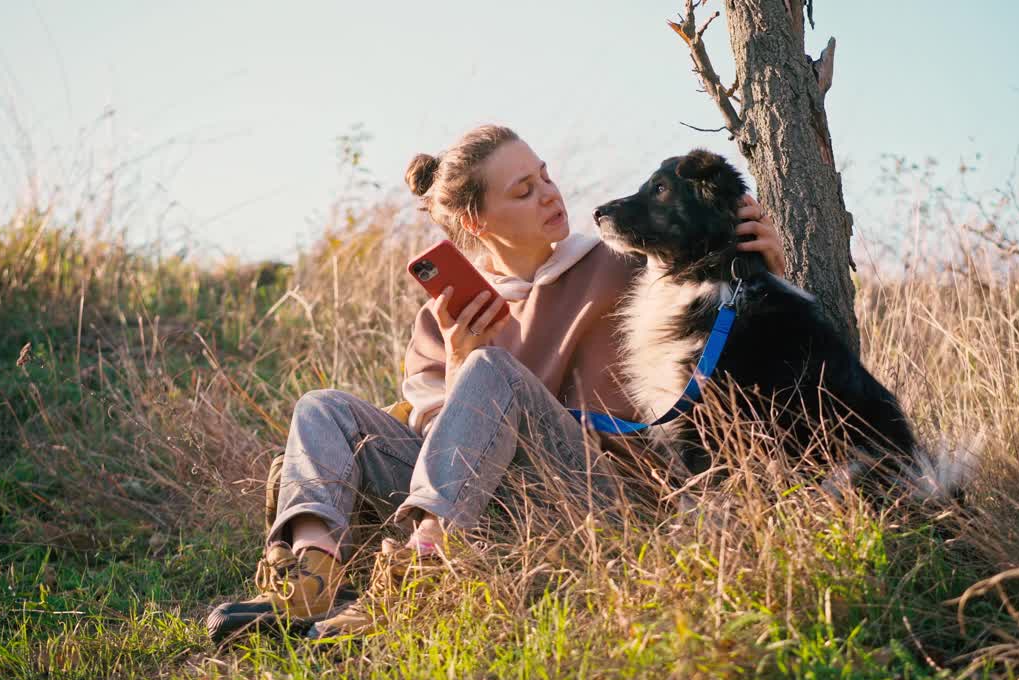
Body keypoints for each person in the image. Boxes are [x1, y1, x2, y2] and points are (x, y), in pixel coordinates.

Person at [206, 125, 788, 643]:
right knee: (323, 406)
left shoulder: (620, 264)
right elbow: (438, 451)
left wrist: (765, 263)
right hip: (491, 513)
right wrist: (459, 362)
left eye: (545, 177)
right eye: (523, 190)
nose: (550, 194)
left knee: (493, 372)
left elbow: (717, 318)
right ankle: (307, 579)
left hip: (604, 502)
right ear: (476, 222)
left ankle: (415, 582)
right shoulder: (445, 318)